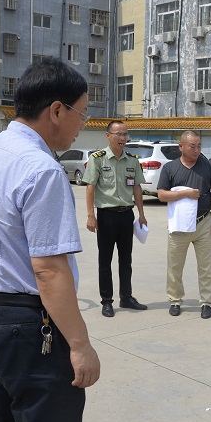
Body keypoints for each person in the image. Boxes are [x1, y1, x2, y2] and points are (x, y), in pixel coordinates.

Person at [0, 58, 100, 422]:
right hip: (32, 329)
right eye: (81, 113)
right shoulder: (41, 169)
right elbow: (50, 271)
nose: (81, 125)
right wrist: (79, 345)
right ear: (56, 110)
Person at [83, 120, 148, 317]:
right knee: (105, 260)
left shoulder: (132, 160)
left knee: (126, 260)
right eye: (118, 134)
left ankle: (126, 297)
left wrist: (141, 214)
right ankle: (107, 301)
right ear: (108, 135)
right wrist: (90, 216)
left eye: (125, 134)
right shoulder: (98, 159)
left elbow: (137, 187)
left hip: (126, 215)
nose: (122, 138)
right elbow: (90, 187)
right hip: (106, 216)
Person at [157, 130, 211, 319]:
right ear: (181, 147)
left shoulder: (207, 166)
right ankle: (175, 300)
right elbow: (161, 194)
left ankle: (206, 302)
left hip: (203, 222)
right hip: (178, 225)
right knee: (175, 265)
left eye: (199, 146)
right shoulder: (170, 168)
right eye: (192, 146)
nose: (196, 150)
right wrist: (184, 194)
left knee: (206, 266)